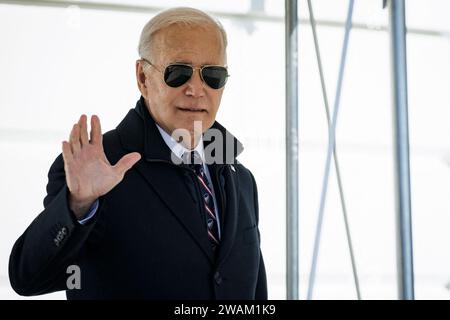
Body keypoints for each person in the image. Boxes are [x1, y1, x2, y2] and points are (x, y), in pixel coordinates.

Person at [8, 7, 267, 299]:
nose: (196, 89)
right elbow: (27, 278)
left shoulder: (240, 178)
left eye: (213, 75)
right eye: (178, 73)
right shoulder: (98, 167)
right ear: (143, 78)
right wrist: (78, 205)